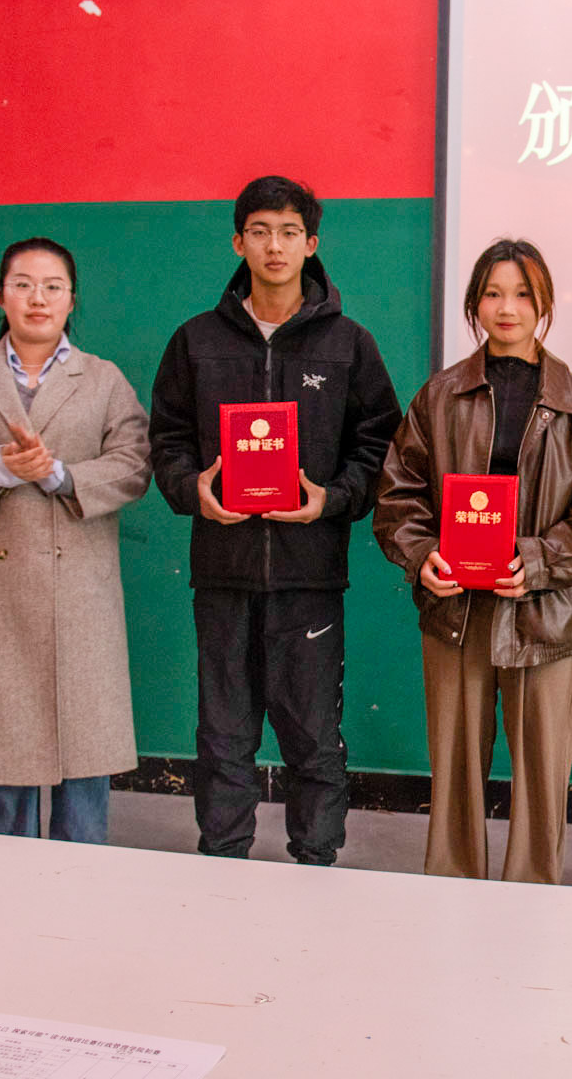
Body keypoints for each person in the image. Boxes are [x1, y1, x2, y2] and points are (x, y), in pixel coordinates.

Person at [148, 176, 401, 865]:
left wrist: (332, 498)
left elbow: (380, 445)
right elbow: (166, 439)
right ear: (239, 242)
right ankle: (223, 858)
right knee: (223, 735)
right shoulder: (195, 341)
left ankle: (315, 864)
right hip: (222, 573)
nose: (274, 246)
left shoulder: (348, 344)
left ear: (311, 243)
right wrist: (192, 490)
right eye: (260, 231)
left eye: (290, 232)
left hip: (309, 575)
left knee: (313, 736)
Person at [372, 238, 572, 884]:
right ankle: (452, 883)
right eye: (493, 293)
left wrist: (538, 562)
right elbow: (398, 493)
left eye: (522, 294)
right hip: (455, 608)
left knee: (543, 771)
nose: (507, 308)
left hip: (544, 612)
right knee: (454, 766)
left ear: (543, 304)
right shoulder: (439, 397)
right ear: (474, 303)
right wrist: (422, 556)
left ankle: (533, 891)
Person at [0, 237, 151, 842]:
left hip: (80, 594)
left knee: (85, 756)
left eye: (52, 286)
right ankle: (7, 877)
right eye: (22, 285)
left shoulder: (102, 379)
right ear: (1, 296)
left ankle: (80, 876)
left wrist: (60, 476)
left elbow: (134, 463)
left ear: (72, 300)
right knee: (4, 753)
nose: (37, 298)